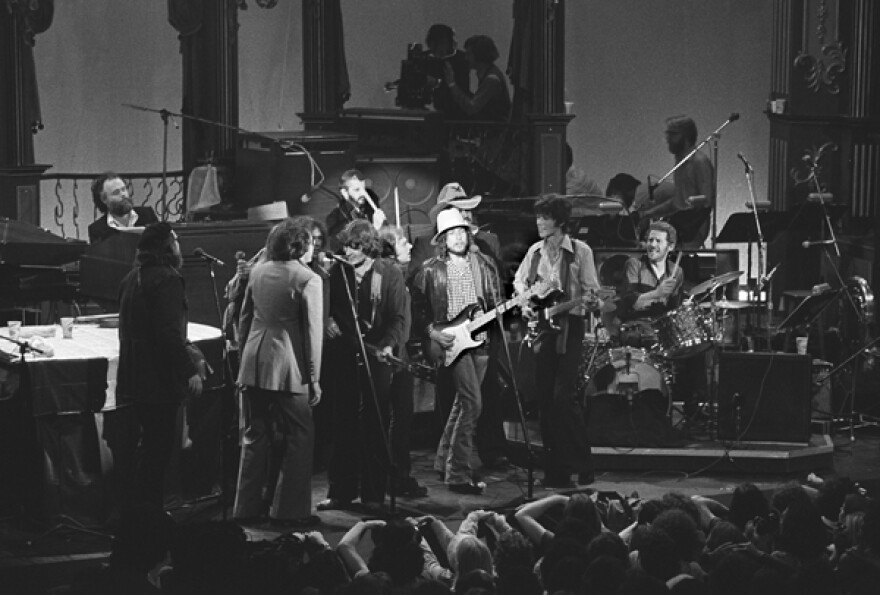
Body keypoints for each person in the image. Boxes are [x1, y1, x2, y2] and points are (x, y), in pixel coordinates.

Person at [233, 217, 323, 528]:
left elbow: (244, 319)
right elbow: (313, 334)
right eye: (310, 241)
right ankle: (289, 510)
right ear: (301, 245)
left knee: (254, 435)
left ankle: (244, 508)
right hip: (288, 366)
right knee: (300, 434)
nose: (314, 247)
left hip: (254, 360)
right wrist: (314, 378)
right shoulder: (308, 279)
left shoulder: (257, 271)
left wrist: (245, 355)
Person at [318, 219, 408, 514]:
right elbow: (326, 306)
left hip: (377, 355)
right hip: (343, 354)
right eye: (346, 245)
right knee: (342, 420)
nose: (349, 251)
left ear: (368, 246)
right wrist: (327, 318)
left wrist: (389, 345)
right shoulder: (338, 271)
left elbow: (397, 317)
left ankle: (374, 493)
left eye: (355, 246)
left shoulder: (389, 272)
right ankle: (340, 491)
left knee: (375, 421)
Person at [412, 208, 502, 494]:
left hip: (482, 342)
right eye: (451, 233)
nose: (458, 238)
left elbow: (495, 300)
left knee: (462, 405)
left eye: (461, 231)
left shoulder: (485, 264)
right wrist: (433, 333)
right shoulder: (429, 270)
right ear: (442, 239)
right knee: (473, 404)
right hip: (454, 343)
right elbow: (418, 310)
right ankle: (459, 473)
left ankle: (443, 460)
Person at [513, 195, 599, 488]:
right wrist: (525, 304)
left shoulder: (580, 251)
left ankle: (582, 463)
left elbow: (592, 292)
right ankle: (555, 471)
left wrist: (591, 303)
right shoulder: (535, 252)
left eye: (544, 218)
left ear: (559, 222)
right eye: (538, 217)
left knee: (564, 397)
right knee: (545, 400)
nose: (538, 223)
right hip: (542, 330)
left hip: (570, 327)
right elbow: (519, 283)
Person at [117, 222, 203, 507]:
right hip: (158, 380)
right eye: (175, 240)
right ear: (166, 246)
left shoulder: (132, 277)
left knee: (149, 447)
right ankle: (146, 517)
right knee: (158, 451)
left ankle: (141, 514)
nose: (179, 245)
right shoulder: (167, 279)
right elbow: (168, 333)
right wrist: (189, 370)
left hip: (135, 376)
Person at [378, 225, 428, 498]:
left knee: (399, 419)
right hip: (394, 357)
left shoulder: (395, 273)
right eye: (402, 243)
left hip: (399, 354)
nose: (410, 246)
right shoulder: (392, 273)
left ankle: (397, 476)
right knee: (399, 418)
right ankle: (397, 477)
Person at [638, 116, 715, 249]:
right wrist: (647, 213)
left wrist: (679, 226)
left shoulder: (699, 162)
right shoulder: (680, 163)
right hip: (680, 225)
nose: (667, 138)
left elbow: (706, 202)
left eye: (673, 134)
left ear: (686, 136)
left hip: (692, 229)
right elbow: (677, 203)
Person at [445, 35, 511, 122]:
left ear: (479, 55)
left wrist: (452, 84)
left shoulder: (492, 79)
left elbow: (472, 108)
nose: (466, 58)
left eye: (469, 54)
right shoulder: (490, 74)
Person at [88, 172, 159, 243]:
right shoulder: (97, 229)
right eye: (116, 192)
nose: (123, 194)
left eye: (124, 189)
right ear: (104, 199)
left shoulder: (147, 214)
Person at [325, 169, 386, 249]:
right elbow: (351, 252)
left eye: (364, 189)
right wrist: (375, 229)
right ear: (344, 193)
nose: (363, 193)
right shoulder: (335, 219)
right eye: (357, 190)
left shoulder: (368, 211)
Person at [424, 23, 471, 118]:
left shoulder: (461, 59)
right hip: (438, 109)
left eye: (442, 43)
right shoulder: (427, 59)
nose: (439, 48)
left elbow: (462, 89)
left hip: (458, 113)